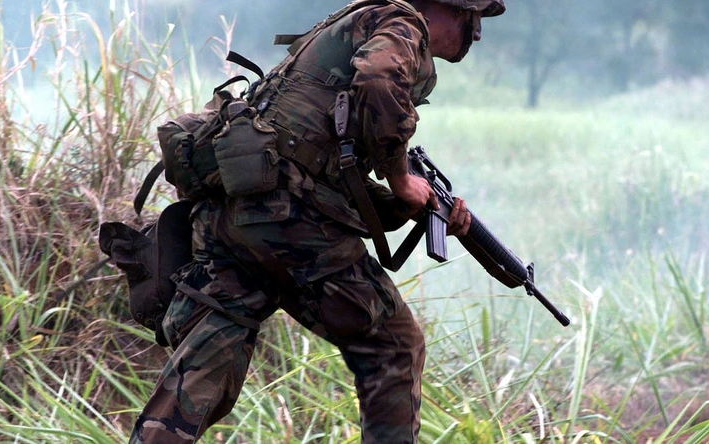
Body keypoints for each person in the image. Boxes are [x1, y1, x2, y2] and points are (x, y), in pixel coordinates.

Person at [129, 0, 505, 442]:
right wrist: (402, 180)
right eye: (473, 19)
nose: (476, 33)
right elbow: (379, 79)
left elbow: (321, 164)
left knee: (202, 371)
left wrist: (406, 204)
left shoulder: (357, 21)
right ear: (452, 8)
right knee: (394, 347)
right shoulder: (404, 23)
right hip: (288, 220)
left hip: (238, 209)